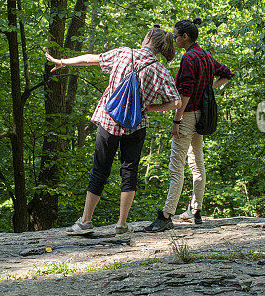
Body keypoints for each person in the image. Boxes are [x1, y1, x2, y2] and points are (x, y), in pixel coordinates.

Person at [46, 28, 181, 236]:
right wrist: (148, 108)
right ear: (162, 46)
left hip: (108, 121)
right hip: (136, 125)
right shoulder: (160, 70)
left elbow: (92, 59)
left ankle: (85, 222)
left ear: (147, 39)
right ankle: (122, 224)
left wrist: (63, 62)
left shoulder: (124, 53)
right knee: (130, 172)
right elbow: (176, 102)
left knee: (99, 170)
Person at [145, 18, 232, 232]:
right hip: (202, 116)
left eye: (176, 36)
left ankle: (166, 215)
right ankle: (195, 210)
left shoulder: (189, 59)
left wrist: (177, 119)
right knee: (197, 163)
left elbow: (185, 93)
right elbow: (227, 74)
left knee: (177, 167)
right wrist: (209, 89)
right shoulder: (205, 56)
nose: (173, 39)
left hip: (188, 115)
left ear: (185, 37)